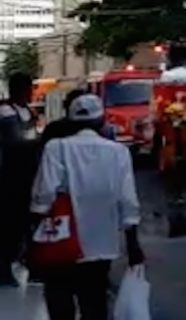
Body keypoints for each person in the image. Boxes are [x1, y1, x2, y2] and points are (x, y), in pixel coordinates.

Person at [30, 94, 144, 320]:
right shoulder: (118, 152)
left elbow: (43, 196)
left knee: (60, 301)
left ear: (70, 121)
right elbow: (128, 201)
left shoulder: (56, 148)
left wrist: (34, 228)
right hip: (101, 245)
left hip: (62, 243)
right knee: (94, 302)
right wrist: (133, 245)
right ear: (102, 121)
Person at [0, 73, 40, 286]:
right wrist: (39, 142)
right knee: (10, 224)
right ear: (20, 90)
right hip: (9, 175)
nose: (32, 92)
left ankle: (30, 263)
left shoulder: (26, 110)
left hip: (27, 173)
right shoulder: (6, 112)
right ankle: (5, 268)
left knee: (27, 222)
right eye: (29, 88)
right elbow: (15, 141)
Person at [156, 101, 186, 206]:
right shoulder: (164, 125)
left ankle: (179, 195)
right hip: (169, 155)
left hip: (181, 153)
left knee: (180, 176)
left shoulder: (185, 126)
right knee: (169, 177)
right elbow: (158, 140)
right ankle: (171, 195)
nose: (174, 117)